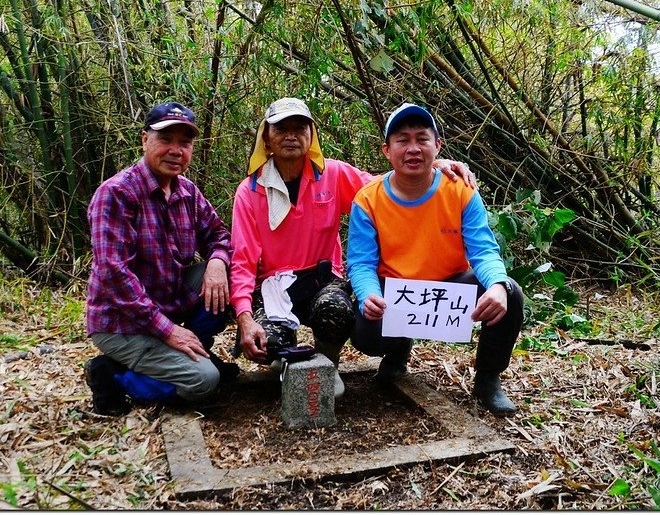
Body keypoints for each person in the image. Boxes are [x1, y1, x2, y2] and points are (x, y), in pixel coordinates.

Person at [230, 97, 475, 398]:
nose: (291, 136)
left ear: (311, 135)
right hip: (271, 286)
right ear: (266, 137)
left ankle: (326, 364)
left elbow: (385, 189)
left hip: (322, 280)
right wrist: (244, 316)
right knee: (268, 343)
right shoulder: (250, 190)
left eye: (300, 128)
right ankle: (285, 360)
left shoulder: (332, 174)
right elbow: (242, 260)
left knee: (337, 310)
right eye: (281, 129)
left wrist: (429, 167)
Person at [347, 103, 524, 416]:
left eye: (422, 139)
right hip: (397, 291)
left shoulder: (460, 189)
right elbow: (361, 262)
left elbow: (482, 249)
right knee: (366, 333)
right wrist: (368, 295)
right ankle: (397, 351)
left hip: (450, 284)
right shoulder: (368, 199)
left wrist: (496, 283)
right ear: (387, 150)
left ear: (437, 145)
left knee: (509, 292)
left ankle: (488, 379)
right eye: (403, 140)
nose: (413, 148)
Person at [84, 101, 237, 416]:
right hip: (122, 323)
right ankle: (114, 375)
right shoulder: (117, 194)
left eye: (184, 143)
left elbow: (220, 237)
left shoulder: (188, 193)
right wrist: (169, 331)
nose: (176, 150)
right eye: (166, 139)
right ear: (144, 139)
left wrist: (218, 262)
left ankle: (198, 349)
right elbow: (115, 276)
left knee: (233, 276)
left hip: (167, 303)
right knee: (204, 382)